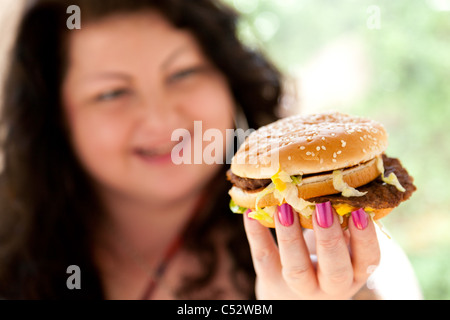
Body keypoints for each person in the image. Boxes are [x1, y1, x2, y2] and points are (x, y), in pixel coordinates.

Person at [0, 0, 421, 300]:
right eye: (111, 93)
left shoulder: (349, 256)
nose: (162, 119)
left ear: (229, 81)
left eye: (183, 73)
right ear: (56, 120)